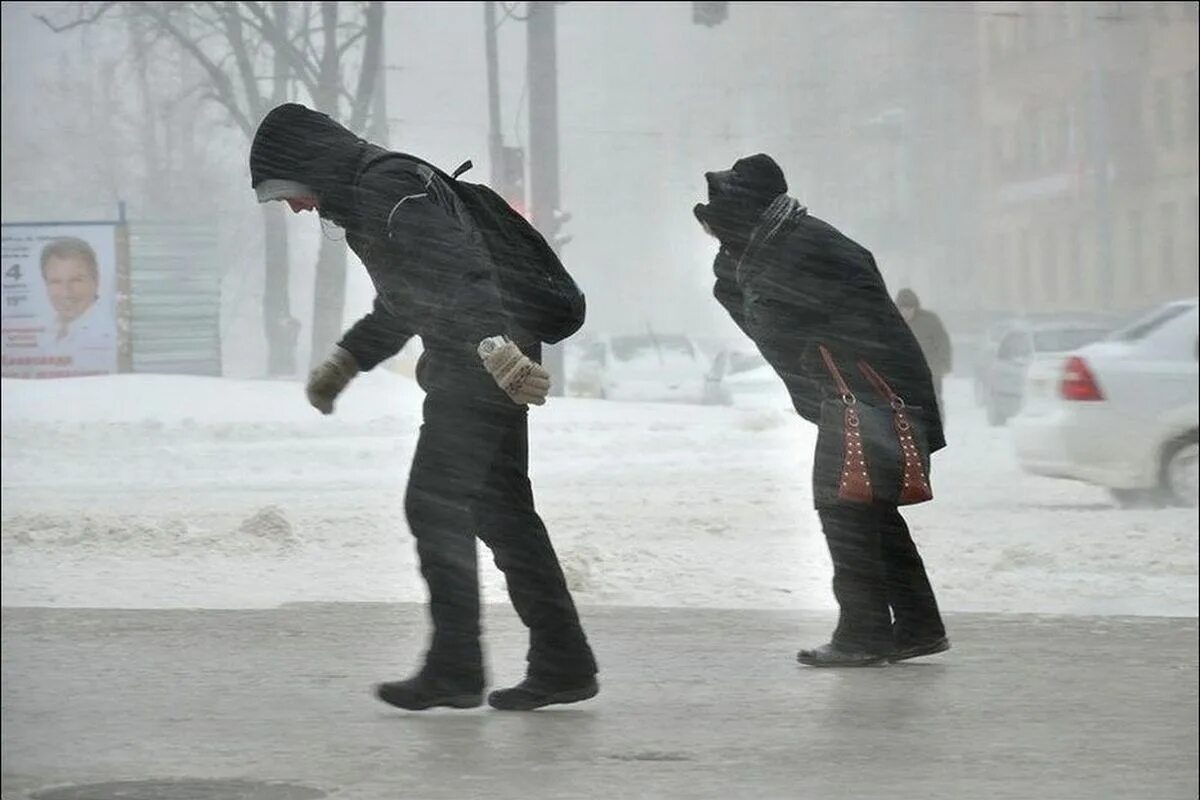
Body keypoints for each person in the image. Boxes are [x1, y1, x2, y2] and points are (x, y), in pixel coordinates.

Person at [249, 103, 598, 710]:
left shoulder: (384, 188)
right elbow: (410, 298)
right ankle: (562, 661)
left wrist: (495, 347)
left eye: (289, 192)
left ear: (308, 166)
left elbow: (459, 270)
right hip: (483, 355)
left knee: (434, 505)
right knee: (504, 513)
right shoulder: (366, 195)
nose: (295, 207)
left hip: (480, 362)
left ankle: (458, 667)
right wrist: (349, 360)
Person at [695, 154, 949, 667]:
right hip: (854, 392)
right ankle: (918, 625)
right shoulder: (776, 244)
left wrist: (738, 272)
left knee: (845, 507)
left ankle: (864, 632)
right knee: (868, 509)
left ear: (746, 209)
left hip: (863, 393)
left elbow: (786, 322)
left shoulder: (800, 247)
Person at [40, 237, 115, 352]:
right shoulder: (47, 330)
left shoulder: (110, 333)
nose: (66, 293)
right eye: (56, 282)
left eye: (76, 280)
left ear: (96, 280)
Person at [895, 289, 952, 421]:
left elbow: (943, 343)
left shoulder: (930, 320)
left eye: (909, 309)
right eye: (902, 309)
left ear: (915, 308)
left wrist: (942, 365)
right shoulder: (892, 322)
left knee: (933, 403)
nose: (906, 312)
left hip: (930, 371)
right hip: (903, 373)